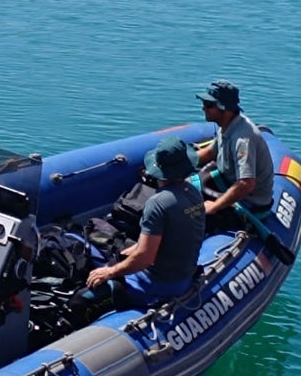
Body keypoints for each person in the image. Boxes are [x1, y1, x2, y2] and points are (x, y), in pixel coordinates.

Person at [75, 137, 206, 323]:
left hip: (156, 285)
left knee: (80, 300)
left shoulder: (158, 203)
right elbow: (178, 236)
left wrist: (110, 272)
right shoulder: (193, 192)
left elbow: (145, 258)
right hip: (183, 277)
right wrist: (136, 249)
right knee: (118, 257)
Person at [193, 80, 275, 233]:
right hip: (228, 184)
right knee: (187, 188)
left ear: (225, 109)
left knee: (190, 216)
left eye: (209, 105)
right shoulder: (227, 126)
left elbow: (246, 184)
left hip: (250, 203)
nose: (203, 107)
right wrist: (176, 164)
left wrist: (214, 206)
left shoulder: (242, 139)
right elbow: (211, 153)